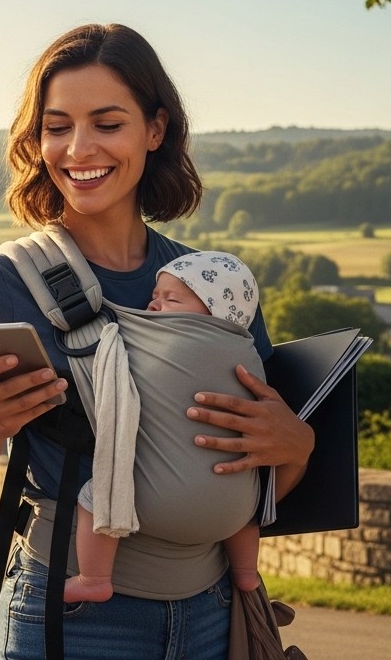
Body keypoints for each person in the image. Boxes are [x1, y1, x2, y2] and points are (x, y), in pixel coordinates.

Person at [0, 23, 314, 659]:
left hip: (214, 613)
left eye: (108, 123)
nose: (79, 148)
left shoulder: (211, 286)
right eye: (56, 126)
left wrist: (298, 446)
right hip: (72, 616)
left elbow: (240, 474)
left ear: (155, 131)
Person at [65, 251, 264, 604]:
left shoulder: (171, 345)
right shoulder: (247, 352)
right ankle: (247, 573)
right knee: (245, 490)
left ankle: (93, 578)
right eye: (155, 297)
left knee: (96, 496)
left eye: (171, 299)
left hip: (157, 508)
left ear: (215, 311)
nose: (154, 307)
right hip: (237, 514)